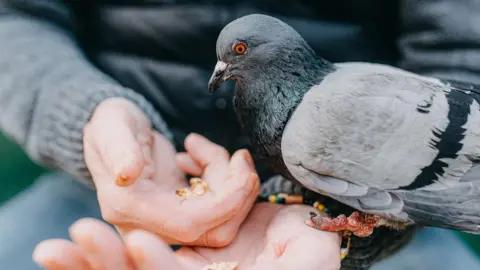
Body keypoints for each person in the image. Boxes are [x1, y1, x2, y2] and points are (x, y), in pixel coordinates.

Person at [0, 0, 480, 269]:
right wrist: (89, 115)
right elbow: (16, 16)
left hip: (376, 196)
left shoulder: (311, 133)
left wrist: (364, 229)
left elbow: (461, 45)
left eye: (238, 53)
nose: (222, 68)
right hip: (125, 172)